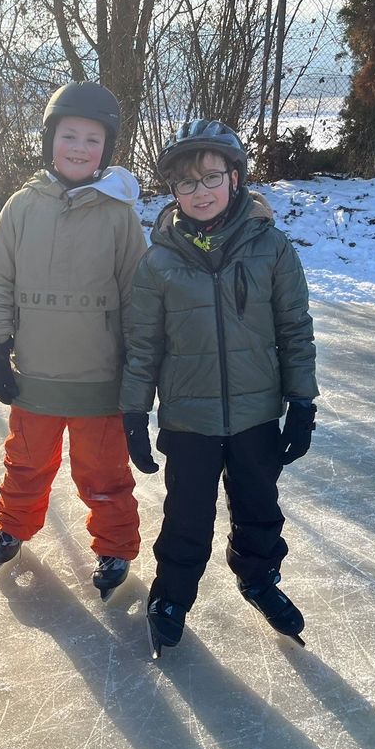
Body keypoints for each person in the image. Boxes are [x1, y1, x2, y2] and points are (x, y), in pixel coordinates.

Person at [119, 119, 318, 658]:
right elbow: (142, 346)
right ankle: (171, 597)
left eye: (211, 178)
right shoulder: (157, 262)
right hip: (189, 418)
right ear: (173, 191)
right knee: (188, 516)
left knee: (259, 505)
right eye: (186, 183)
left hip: (257, 413)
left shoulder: (270, 248)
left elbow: (294, 328)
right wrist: (133, 413)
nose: (200, 192)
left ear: (236, 177)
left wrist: (302, 402)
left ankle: (258, 578)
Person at [0, 81, 147, 600]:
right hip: (36, 373)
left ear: (106, 149)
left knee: (104, 473)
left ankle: (114, 546)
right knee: (25, 462)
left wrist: (139, 365)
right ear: (50, 139)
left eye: (92, 139)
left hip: (99, 377)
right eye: (69, 135)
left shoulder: (119, 214)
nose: (79, 148)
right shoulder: (22, 207)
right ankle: (13, 526)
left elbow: (138, 291)